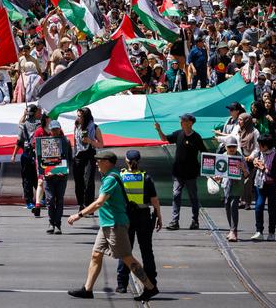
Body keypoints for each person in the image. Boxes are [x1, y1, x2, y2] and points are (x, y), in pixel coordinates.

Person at [66, 151, 159, 302]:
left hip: (116, 225)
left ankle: (150, 287)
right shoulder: (112, 175)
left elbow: (99, 202)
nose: (96, 163)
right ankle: (87, 289)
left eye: (99, 161)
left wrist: (79, 215)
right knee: (96, 254)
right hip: (106, 224)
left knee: (127, 258)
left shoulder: (111, 179)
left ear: (108, 162)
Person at [115, 150, 162, 293]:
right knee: (146, 250)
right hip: (143, 216)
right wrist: (159, 216)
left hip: (125, 216)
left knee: (125, 251)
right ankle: (151, 282)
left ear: (126, 161)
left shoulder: (121, 176)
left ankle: (122, 284)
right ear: (139, 161)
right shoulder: (146, 177)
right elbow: (154, 200)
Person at [154, 113, 206, 230]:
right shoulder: (178, 134)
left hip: (191, 173)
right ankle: (174, 221)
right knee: (176, 195)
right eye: (181, 120)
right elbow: (164, 139)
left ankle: (195, 220)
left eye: (183, 120)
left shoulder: (196, 137)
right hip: (178, 172)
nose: (180, 122)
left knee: (193, 197)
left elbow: (205, 153)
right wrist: (159, 130)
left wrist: (210, 170)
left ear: (190, 123)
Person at [247, 134, 276, 241]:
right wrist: (255, 163)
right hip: (260, 183)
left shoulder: (275, 156)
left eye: (261, 145)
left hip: (272, 185)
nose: (259, 146)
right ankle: (259, 231)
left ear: (267, 145)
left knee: (271, 209)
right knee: (259, 206)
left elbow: (275, 175)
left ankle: (271, 232)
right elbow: (253, 163)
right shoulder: (259, 153)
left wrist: (263, 168)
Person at [215, 136, 248, 242]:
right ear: (225, 147)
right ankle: (231, 229)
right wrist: (218, 178)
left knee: (234, 205)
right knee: (227, 206)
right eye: (229, 147)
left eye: (234, 147)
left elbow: (247, 174)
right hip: (226, 185)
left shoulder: (240, 157)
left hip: (237, 185)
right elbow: (219, 173)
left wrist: (243, 168)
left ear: (236, 147)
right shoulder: (223, 156)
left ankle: (234, 231)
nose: (232, 149)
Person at [72, 107, 104, 211]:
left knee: (88, 180)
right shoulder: (76, 125)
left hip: (89, 155)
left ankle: (89, 205)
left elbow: (101, 144)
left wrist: (90, 141)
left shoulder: (94, 127)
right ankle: (81, 203)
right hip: (78, 155)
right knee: (78, 181)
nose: (78, 117)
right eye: (77, 115)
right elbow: (75, 141)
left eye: (80, 116)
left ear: (85, 117)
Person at [11, 104, 41, 209]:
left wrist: (14, 155)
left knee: (27, 179)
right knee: (38, 178)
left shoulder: (23, 126)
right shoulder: (40, 124)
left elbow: (19, 141)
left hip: (26, 155)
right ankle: (40, 198)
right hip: (37, 155)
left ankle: (29, 201)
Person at [43, 120, 70, 235]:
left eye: (56, 129)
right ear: (50, 130)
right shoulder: (44, 142)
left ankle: (57, 224)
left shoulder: (66, 141)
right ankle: (51, 223)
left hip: (61, 177)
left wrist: (64, 171)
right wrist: (43, 173)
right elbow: (41, 159)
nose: (55, 131)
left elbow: (69, 158)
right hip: (48, 177)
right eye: (53, 129)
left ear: (60, 129)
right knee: (49, 200)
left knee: (59, 200)